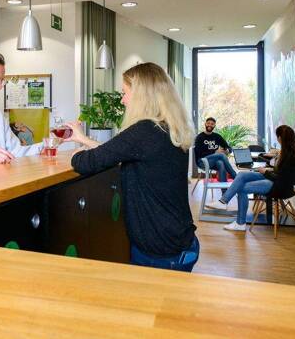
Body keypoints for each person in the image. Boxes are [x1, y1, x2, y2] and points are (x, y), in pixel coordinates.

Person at [66, 62, 199, 272]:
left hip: (161, 250)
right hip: (176, 239)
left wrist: (75, 155)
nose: (123, 100)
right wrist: (83, 139)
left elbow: (86, 163)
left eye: (125, 92)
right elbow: (119, 151)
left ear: (141, 96)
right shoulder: (165, 128)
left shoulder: (144, 131)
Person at [206, 125, 295, 231]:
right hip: (277, 181)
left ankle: (240, 223)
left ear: (280, 138)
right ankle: (223, 202)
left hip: (281, 187)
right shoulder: (290, 152)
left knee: (242, 188)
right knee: (242, 175)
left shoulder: (290, 156)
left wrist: (266, 171)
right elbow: (281, 173)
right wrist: (270, 167)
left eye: (277, 136)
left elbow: (280, 178)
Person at [194, 117, 237, 184]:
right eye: (208, 123)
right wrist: (215, 152)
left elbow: (228, 147)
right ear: (205, 124)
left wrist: (227, 150)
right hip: (202, 161)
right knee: (221, 155)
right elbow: (199, 153)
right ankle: (235, 176)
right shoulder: (199, 137)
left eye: (212, 124)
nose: (210, 125)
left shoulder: (217, 136)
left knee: (220, 163)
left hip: (212, 161)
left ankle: (224, 189)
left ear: (214, 125)